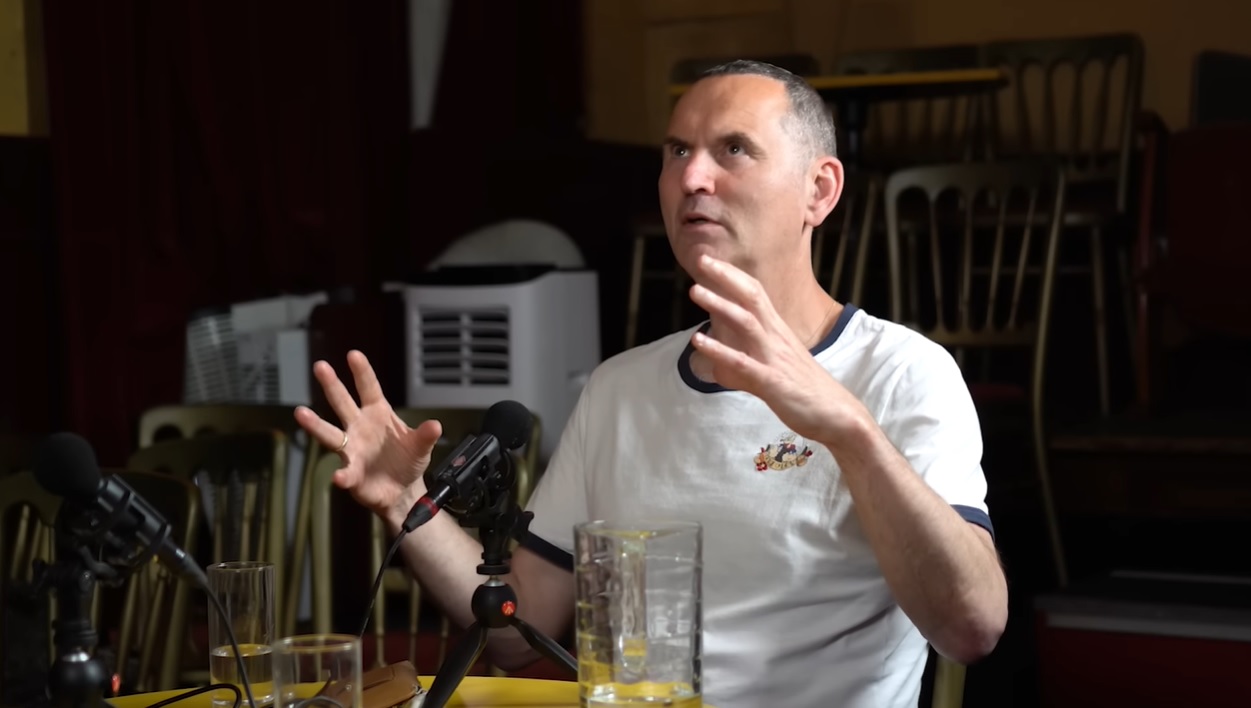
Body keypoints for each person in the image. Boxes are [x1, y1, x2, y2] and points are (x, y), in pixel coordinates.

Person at [295, 59, 1008, 707]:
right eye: (677, 152)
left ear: (818, 191)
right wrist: (405, 501)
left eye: (733, 149)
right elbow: (516, 630)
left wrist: (847, 431)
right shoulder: (619, 389)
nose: (692, 179)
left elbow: (972, 628)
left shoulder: (901, 373)